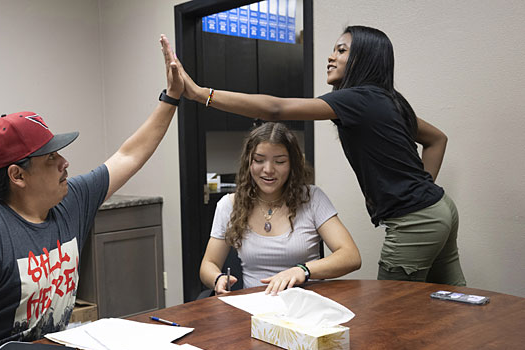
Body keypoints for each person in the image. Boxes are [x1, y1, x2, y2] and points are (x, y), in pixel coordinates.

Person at [0, 36, 183, 350]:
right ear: (18, 176)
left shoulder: (69, 200)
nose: (65, 163)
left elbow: (129, 155)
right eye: (51, 159)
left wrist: (171, 96)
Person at [163, 26, 466, 286]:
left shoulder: (356, 99)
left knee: (394, 311)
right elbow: (437, 138)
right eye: (333, 49)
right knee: (455, 300)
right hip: (441, 209)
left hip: (417, 221)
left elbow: (275, 109)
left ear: (365, 59)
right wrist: (422, 190)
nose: (331, 57)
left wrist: (201, 94)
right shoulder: (390, 100)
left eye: (342, 51)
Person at [200, 122, 361, 296]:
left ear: (292, 164)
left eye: (280, 161)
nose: (268, 170)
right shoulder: (229, 205)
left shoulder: (312, 198)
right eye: (259, 160)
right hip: (254, 309)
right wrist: (217, 278)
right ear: (248, 161)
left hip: (305, 308)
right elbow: (208, 264)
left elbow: (350, 256)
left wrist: (302, 271)